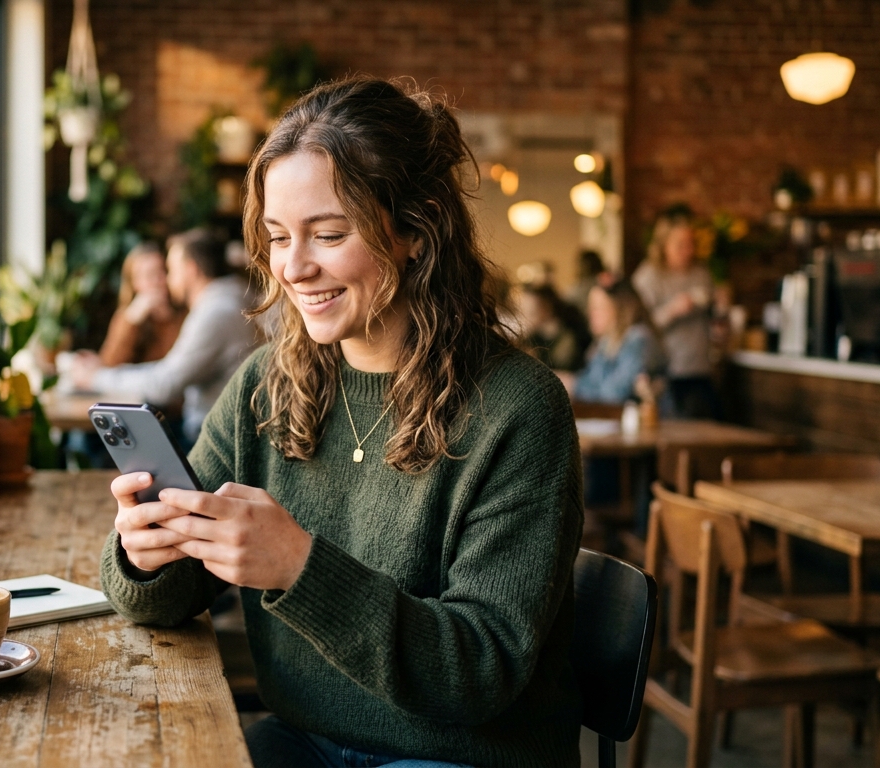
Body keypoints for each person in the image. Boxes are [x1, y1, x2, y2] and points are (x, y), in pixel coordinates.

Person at [100, 77, 582, 767]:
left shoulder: (517, 408)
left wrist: (300, 567)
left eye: (328, 233)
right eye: (275, 238)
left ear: (415, 229)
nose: (293, 268)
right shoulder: (266, 385)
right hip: (302, 742)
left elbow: (483, 670)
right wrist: (146, 555)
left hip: (460, 754)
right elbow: (157, 600)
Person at [75, 228, 256, 443]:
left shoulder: (214, 312)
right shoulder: (226, 299)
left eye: (170, 270)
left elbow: (164, 384)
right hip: (212, 424)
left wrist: (95, 377)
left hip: (210, 433)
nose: (166, 280)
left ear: (190, 270)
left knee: (97, 442)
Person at [632, 212, 717, 418]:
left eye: (691, 243)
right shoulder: (648, 277)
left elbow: (713, 318)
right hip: (666, 372)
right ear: (663, 245)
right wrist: (672, 310)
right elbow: (638, 326)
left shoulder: (701, 274)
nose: (687, 250)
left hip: (700, 367)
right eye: (680, 244)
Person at [560, 282, 661, 404]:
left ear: (620, 308)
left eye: (597, 308)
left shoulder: (637, 337)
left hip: (650, 420)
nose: (590, 313)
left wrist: (574, 385)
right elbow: (592, 379)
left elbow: (616, 393)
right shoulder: (604, 341)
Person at [98, 242, 186, 367]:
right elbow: (108, 366)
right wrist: (132, 322)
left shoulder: (184, 310)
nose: (158, 281)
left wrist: (167, 317)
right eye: (150, 275)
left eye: (162, 271)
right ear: (135, 283)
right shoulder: (126, 318)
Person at [514, 282, 587, 371]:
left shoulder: (569, 336)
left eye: (531, 313)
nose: (524, 319)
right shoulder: (534, 337)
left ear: (547, 308)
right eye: (521, 312)